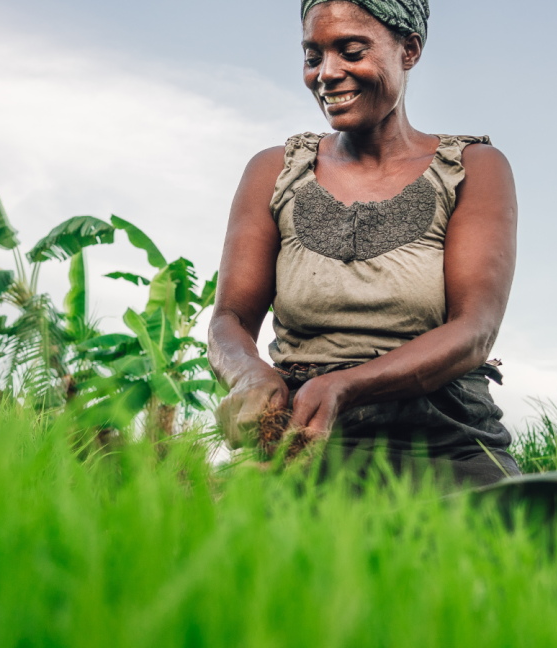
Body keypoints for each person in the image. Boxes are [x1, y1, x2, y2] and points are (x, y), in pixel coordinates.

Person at [208, 0, 520, 486]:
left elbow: (474, 330)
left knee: (512, 545)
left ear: (409, 49)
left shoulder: (473, 168)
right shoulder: (274, 170)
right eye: (313, 58)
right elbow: (229, 319)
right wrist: (250, 374)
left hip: (443, 438)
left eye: (351, 51)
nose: (327, 74)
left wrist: (346, 387)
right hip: (304, 434)